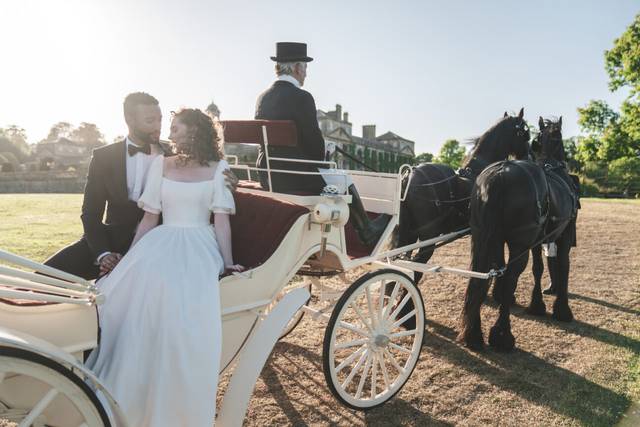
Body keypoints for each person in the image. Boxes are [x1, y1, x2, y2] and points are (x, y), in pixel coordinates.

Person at [85, 108, 242, 426]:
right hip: (162, 238)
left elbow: (221, 222)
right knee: (131, 291)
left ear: (196, 131)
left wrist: (226, 263)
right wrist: (130, 258)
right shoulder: (162, 164)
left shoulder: (219, 167)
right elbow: (149, 218)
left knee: (179, 299)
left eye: (176, 128)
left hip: (200, 242)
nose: (170, 133)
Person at [43, 92, 238, 280]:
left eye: (160, 120)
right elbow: (90, 213)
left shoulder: (180, 152)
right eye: (150, 121)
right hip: (111, 240)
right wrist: (103, 254)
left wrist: (233, 184)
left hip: (159, 243)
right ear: (130, 120)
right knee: (43, 276)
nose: (159, 127)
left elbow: (208, 171)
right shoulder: (104, 157)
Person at [255, 42, 390, 246]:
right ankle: (368, 231)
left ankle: (366, 230)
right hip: (296, 178)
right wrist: (326, 150)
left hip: (268, 174)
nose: (306, 74)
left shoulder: (262, 98)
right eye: (305, 68)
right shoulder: (302, 97)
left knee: (336, 176)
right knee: (344, 179)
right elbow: (316, 149)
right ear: (297, 68)